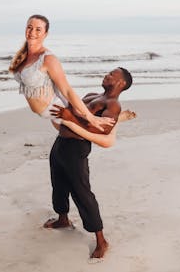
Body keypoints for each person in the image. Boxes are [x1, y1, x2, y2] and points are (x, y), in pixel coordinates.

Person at [43, 67, 133, 259]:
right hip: (61, 142)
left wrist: (70, 117)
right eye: (108, 72)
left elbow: (103, 131)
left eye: (112, 75)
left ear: (121, 83)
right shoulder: (92, 95)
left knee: (81, 191)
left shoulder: (113, 105)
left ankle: (101, 240)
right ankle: (63, 218)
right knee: (58, 183)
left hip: (77, 148)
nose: (106, 75)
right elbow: (70, 107)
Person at [9, 15, 113, 131]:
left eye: (38, 29)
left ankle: (117, 118)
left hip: (60, 111)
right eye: (29, 27)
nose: (32, 32)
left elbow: (67, 90)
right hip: (51, 116)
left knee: (99, 133)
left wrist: (90, 117)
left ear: (45, 34)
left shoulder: (48, 59)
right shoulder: (23, 56)